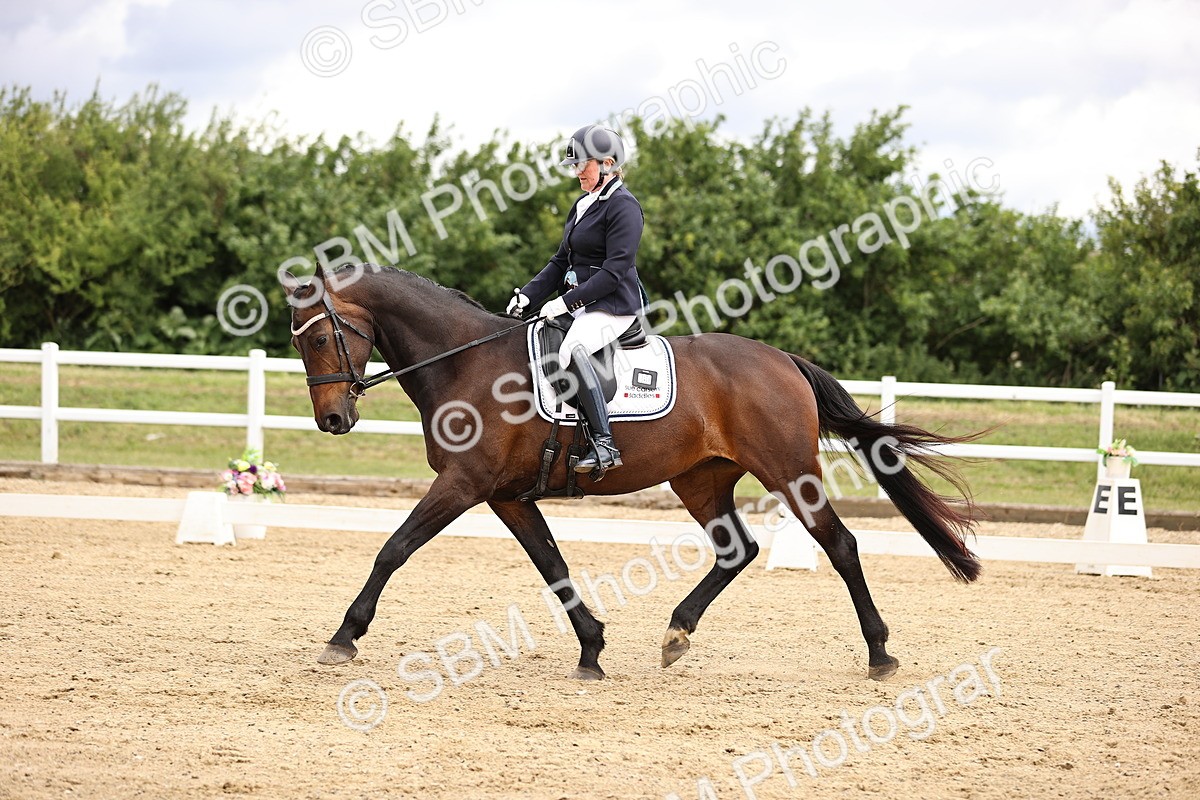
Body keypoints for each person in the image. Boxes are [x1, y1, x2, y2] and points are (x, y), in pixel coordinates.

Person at [506, 124, 645, 476]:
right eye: (575, 165)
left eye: (582, 164)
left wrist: (566, 303)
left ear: (608, 164)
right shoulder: (583, 204)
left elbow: (614, 272)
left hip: (613, 306)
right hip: (583, 304)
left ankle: (604, 444)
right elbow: (559, 262)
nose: (577, 171)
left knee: (572, 348)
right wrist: (528, 295)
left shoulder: (624, 207)